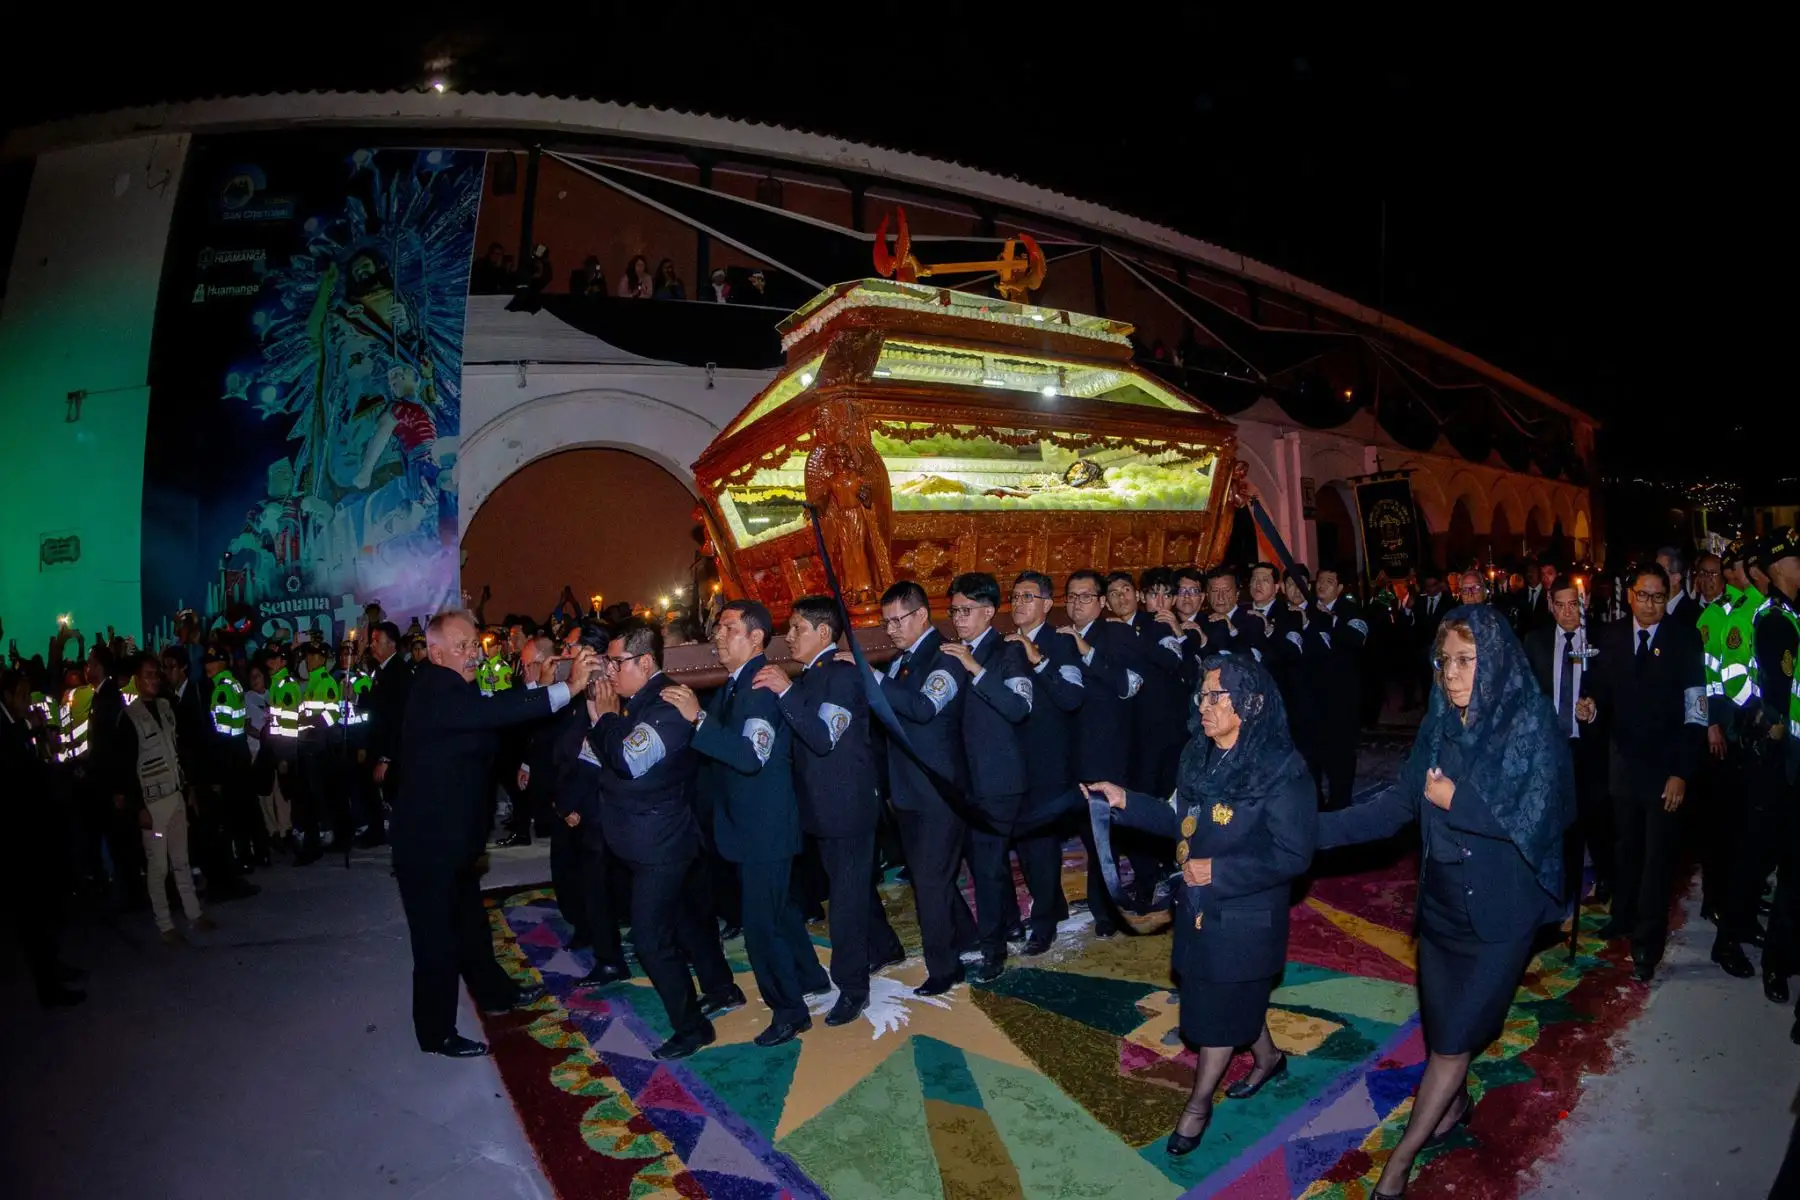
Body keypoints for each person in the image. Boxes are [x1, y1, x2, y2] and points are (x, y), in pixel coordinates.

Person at [1319, 605, 1573, 1197]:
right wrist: (1308, 832)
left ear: (1495, 663)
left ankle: (1399, 1164)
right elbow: (1395, 806)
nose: (1451, 673)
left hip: (1498, 917)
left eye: (1465, 660)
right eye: (1444, 661)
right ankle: (1453, 1107)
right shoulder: (1438, 727)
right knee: (1443, 1033)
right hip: (1440, 910)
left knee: (1453, 1042)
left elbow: (1543, 815)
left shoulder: (1529, 726)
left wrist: (1457, 800)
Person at [1087, 654, 1317, 1157]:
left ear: (1249, 704)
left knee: (1216, 1012)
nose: (1204, 706)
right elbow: (1180, 821)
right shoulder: (1198, 755)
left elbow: (1294, 854)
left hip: (1246, 914)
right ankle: (1269, 1059)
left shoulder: (1281, 768)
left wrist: (1221, 871)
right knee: (1223, 996)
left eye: (1217, 696)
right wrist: (1125, 800)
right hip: (1196, 905)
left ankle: (1198, 1105)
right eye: (1202, 695)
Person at [390, 609, 593, 1058]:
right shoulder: (436, 686)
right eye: (461, 647)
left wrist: (536, 688)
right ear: (436, 653)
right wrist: (566, 688)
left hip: (453, 840)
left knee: (470, 925)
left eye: (473, 645)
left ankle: (497, 994)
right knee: (437, 941)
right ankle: (436, 1033)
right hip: (428, 845)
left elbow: (493, 712)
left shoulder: (456, 689)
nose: (472, 655)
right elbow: (492, 713)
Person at [663, 600, 828, 1046]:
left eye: (729, 628)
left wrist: (697, 717)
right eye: (718, 628)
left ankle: (790, 1012)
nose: (718, 636)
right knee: (779, 911)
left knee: (761, 927)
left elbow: (750, 756)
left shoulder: (758, 687)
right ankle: (811, 977)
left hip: (764, 828)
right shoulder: (736, 685)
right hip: (748, 826)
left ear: (755, 637)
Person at [584, 621, 743, 1060]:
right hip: (644, 837)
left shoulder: (667, 703)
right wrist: (603, 719)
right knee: (688, 919)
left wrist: (605, 718)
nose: (609, 671)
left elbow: (626, 760)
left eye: (616, 662)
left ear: (645, 662)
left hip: (661, 843)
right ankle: (721, 987)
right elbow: (594, 756)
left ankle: (692, 1028)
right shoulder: (635, 701)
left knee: (651, 939)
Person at [755, 595, 905, 1026]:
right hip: (824, 806)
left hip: (846, 806)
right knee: (850, 885)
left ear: (823, 632)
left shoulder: (838, 675)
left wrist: (785, 691)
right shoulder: (814, 675)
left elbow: (822, 737)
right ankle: (885, 946)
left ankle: (853, 988)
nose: (789, 636)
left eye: (797, 628)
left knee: (845, 900)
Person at [1585, 561, 1707, 981]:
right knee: (1625, 850)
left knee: (1657, 861)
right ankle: (1622, 917)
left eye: (1658, 596)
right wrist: (1591, 705)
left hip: (1664, 772)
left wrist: (1681, 772)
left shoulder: (1684, 639)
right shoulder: (1613, 636)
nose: (1650, 604)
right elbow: (1601, 688)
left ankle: (1646, 947)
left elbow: (1696, 713)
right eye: (1643, 595)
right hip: (1623, 766)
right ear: (1629, 596)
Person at [876, 580, 980, 990]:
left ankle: (944, 969)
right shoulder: (899, 662)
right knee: (929, 875)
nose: (891, 630)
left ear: (921, 615)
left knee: (931, 883)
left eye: (897, 620)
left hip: (940, 791)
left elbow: (922, 708)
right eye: (886, 623)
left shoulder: (946, 657)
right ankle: (967, 936)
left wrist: (873, 679)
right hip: (908, 790)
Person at [939, 572, 1035, 983]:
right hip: (965, 780)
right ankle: (1009, 924)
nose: (958, 619)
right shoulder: (952, 652)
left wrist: (976, 669)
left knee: (987, 864)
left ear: (990, 612)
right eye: (954, 611)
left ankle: (993, 950)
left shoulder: (1007, 651)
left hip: (999, 779)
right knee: (985, 865)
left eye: (966, 610)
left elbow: (1019, 707)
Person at [1735, 530, 1800, 1006]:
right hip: (1787, 761)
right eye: (1796, 560)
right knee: (1785, 865)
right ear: (1777, 568)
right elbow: (1776, 688)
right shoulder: (1776, 619)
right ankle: (1775, 960)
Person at [1004, 571, 1083, 953]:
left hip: (1051, 760)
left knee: (1041, 844)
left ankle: (1044, 922)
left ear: (1048, 604)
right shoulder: (1005, 644)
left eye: (1028, 597)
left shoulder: (1061, 643)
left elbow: (1071, 697)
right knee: (1024, 842)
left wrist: (1037, 660)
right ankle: (1055, 904)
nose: (1019, 603)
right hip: (1014, 759)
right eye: (1015, 597)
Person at [1060, 569, 1142, 937]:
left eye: (1085, 596)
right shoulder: (1058, 638)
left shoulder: (1116, 633)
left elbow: (1129, 685)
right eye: (1071, 596)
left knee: (1105, 834)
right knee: (1087, 833)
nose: (1077, 603)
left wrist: (1087, 652)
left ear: (1101, 602)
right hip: (1069, 753)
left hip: (1107, 752)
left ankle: (1108, 908)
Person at [112, 653, 214, 943]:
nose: (154, 679)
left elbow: (178, 750)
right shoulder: (129, 717)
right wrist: (139, 808)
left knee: (182, 859)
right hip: (153, 803)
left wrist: (188, 788)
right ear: (136, 679)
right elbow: (125, 767)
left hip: (175, 794)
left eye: (156, 674)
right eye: (148, 674)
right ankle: (165, 925)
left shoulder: (167, 707)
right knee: (158, 867)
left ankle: (194, 913)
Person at [1524, 581, 1613, 912]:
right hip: (1552, 747)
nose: (1567, 612)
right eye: (1560, 605)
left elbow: (1613, 690)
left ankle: (1606, 875)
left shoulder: (1600, 640)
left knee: (1596, 817)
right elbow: (1527, 693)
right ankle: (1563, 883)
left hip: (1589, 745)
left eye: (1573, 604)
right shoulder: (1536, 642)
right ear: (1550, 604)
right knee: (1559, 820)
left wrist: (1595, 707)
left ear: (1583, 603)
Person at [3, 667, 86, 1004]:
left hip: (32, 830)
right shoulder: (7, 731)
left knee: (43, 911)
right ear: (8, 696)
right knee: (33, 913)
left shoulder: (16, 726)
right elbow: (19, 777)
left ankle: (52, 967)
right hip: (20, 837)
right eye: (23, 696)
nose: (28, 702)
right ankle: (49, 987)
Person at [1307, 565, 1368, 810]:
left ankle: (1341, 803)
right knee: (1314, 752)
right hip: (1314, 696)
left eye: (1329, 581)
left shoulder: (1350, 611)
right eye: (1320, 581)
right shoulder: (1308, 610)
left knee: (1340, 753)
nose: (1322, 585)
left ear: (1340, 588)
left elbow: (1356, 639)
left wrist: (1331, 620)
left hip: (1342, 697)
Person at [359, 621, 411, 847]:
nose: (372, 645)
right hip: (376, 742)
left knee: (394, 794)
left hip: (392, 748)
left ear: (391, 644)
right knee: (370, 790)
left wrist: (386, 757)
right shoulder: (378, 670)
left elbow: (398, 718)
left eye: (376, 641)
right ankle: (376, 830)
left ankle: (403, 838)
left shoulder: (399, 673)